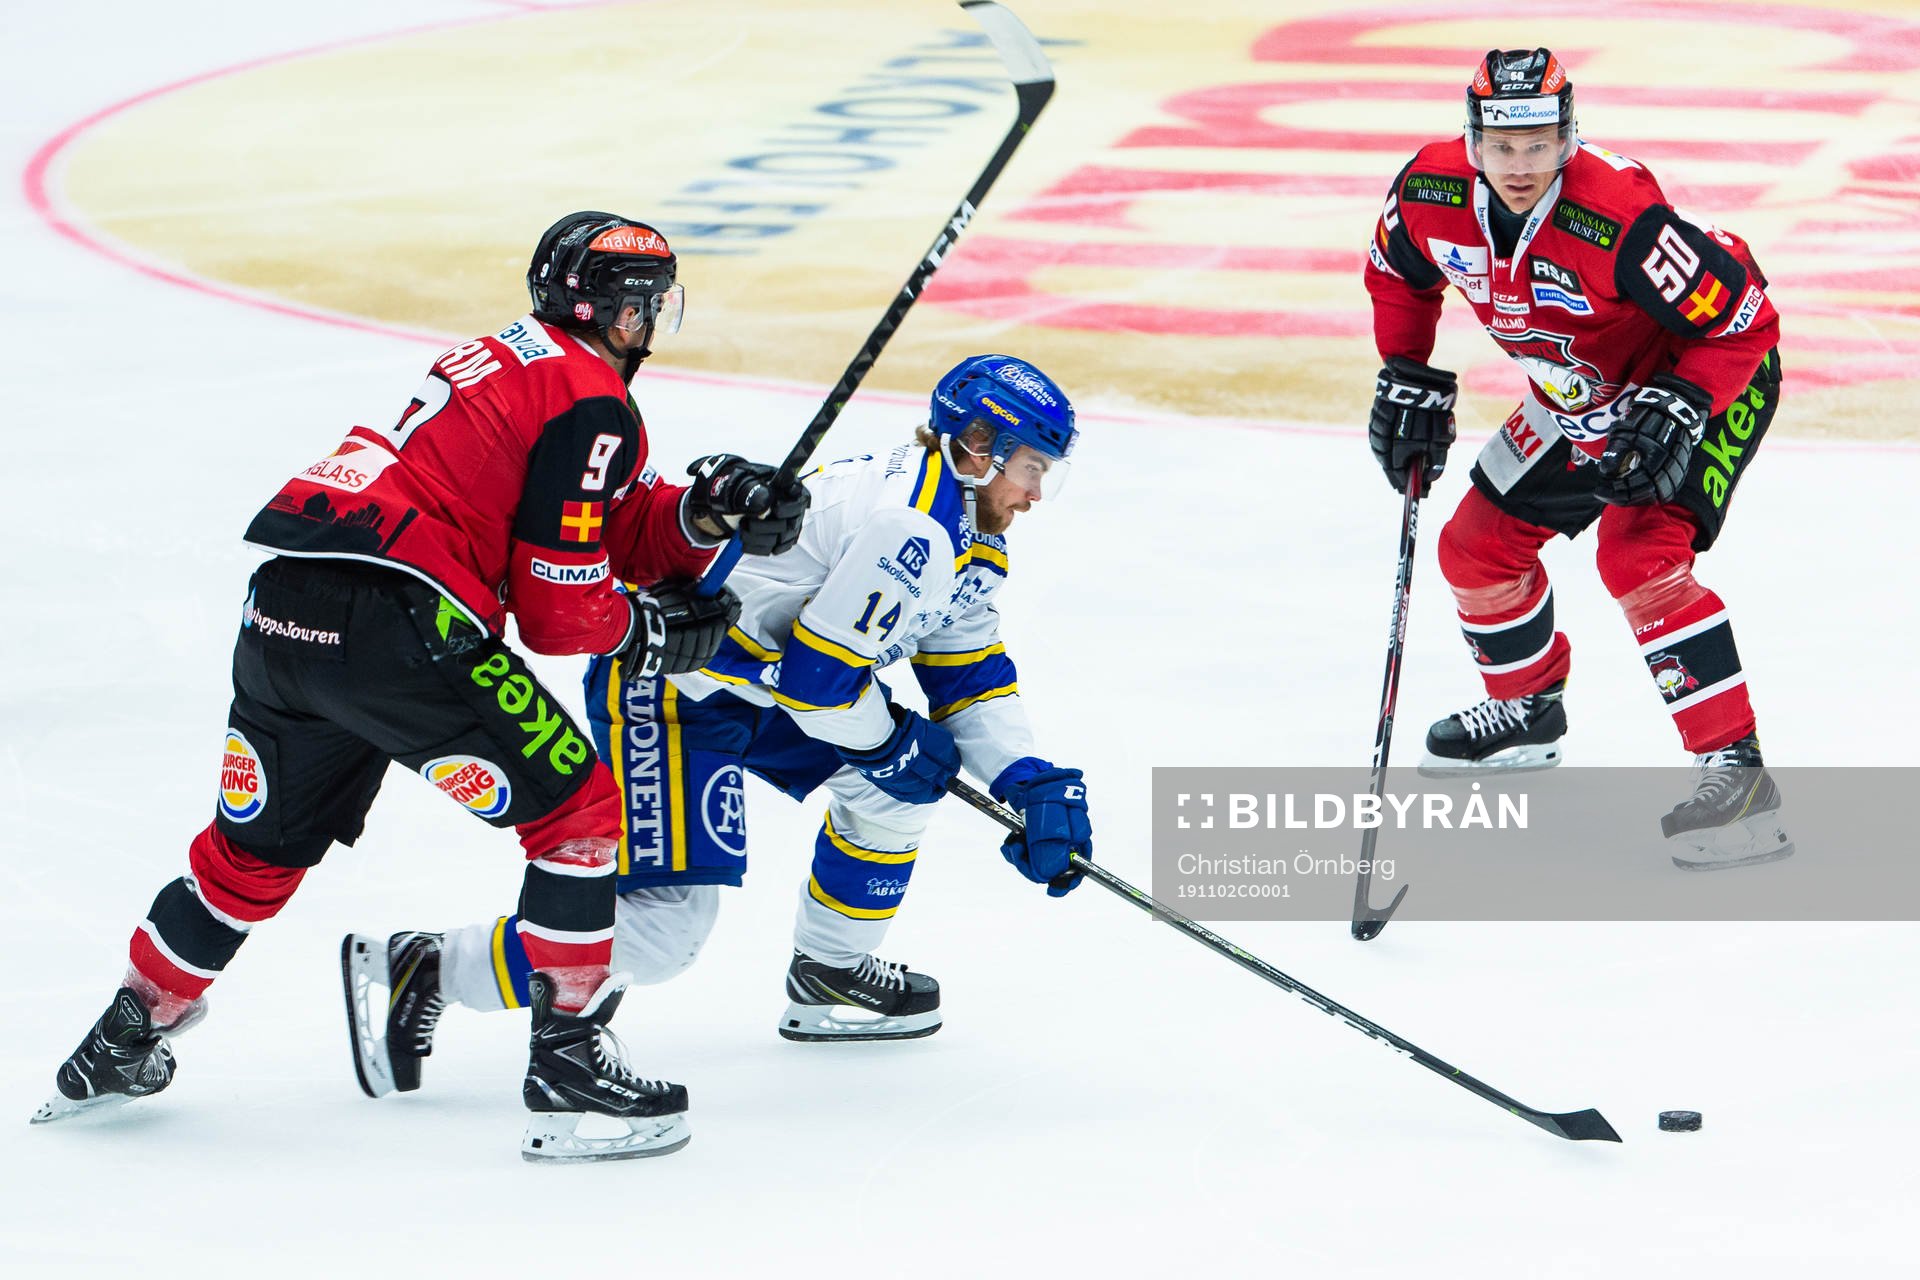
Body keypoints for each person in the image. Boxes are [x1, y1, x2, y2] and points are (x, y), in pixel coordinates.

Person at [32, 212, 807, 1163]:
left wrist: (699, 512)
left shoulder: (509, 359)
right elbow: (559, 608)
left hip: (286, 608)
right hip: (402, 625)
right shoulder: (589, 392)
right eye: (649, 309)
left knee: (252, 855)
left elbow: (592, 522)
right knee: (579, 819)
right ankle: (569, 1070)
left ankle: (123, 1036)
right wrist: (649, 629)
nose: (651, 328)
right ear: (614, 308)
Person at [340, 354, 1093, 1096]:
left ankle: (828, 972)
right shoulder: (913, 527)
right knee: (665, 931)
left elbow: (968, 671)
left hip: (762, 683)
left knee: (892, 795)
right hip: (673, 686)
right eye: (1031, 468)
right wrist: (892, 743)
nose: (1035, 494)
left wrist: (1027, 779)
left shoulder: (966, 523)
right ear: (979, 448)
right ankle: (430, 965)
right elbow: (821, 688)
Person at [1363, 49, 1791, 870]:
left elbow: (1744, 322)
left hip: (1699, 376)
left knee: (1637, 555)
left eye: (1538, 143)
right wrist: (1406, 370)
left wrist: (1682, 401)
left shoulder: (1622, 218)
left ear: (1568, 138)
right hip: (1581, 390)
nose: (1518, 165)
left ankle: (1737, 775)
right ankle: (1527, 710)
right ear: (1472, 138)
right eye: (1501, 144)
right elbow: (1397, 276)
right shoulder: (1428, 191)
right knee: (1476, 548)